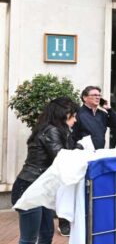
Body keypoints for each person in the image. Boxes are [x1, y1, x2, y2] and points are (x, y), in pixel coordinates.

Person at [12, 97, 79, 243]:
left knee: (47, 233)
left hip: (40, 187)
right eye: (73, 115)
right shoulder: (51, 131)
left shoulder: (54, 130)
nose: (75, 120)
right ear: (64, 114)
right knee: (29, 239)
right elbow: (60, 157)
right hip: (29, 187)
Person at [72, 86, 116, 150]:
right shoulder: (78, 114)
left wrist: (109, 109)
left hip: (99, 152)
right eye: (94, 95)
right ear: (85, 98)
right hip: (83, 153)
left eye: (99, 95)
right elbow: (72, 136)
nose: (98, 97)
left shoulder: (102, 114)